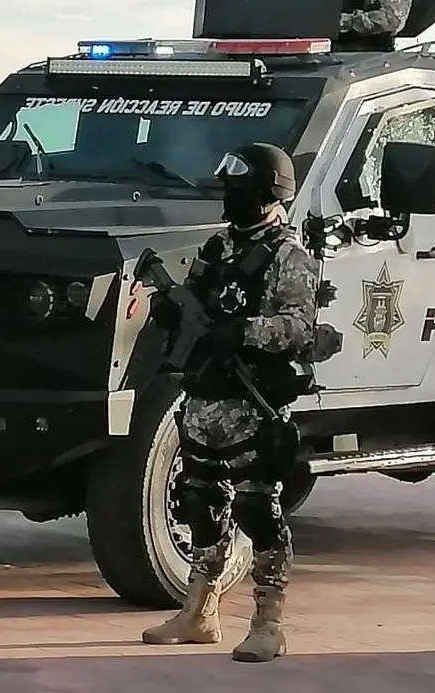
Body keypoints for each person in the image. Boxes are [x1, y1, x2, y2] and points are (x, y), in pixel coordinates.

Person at [141, 142, 320, 663]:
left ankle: (269, 622)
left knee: (256, 509)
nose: (229, 196)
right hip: (204, 398)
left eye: (240, 187)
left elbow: (299, 328)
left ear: (268, 192)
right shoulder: (218, 249)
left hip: (253, 402)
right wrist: (170, 311)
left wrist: (242, 332)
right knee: (198, 501)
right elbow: (196, 299)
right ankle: (199, 612)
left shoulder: (290, 256)